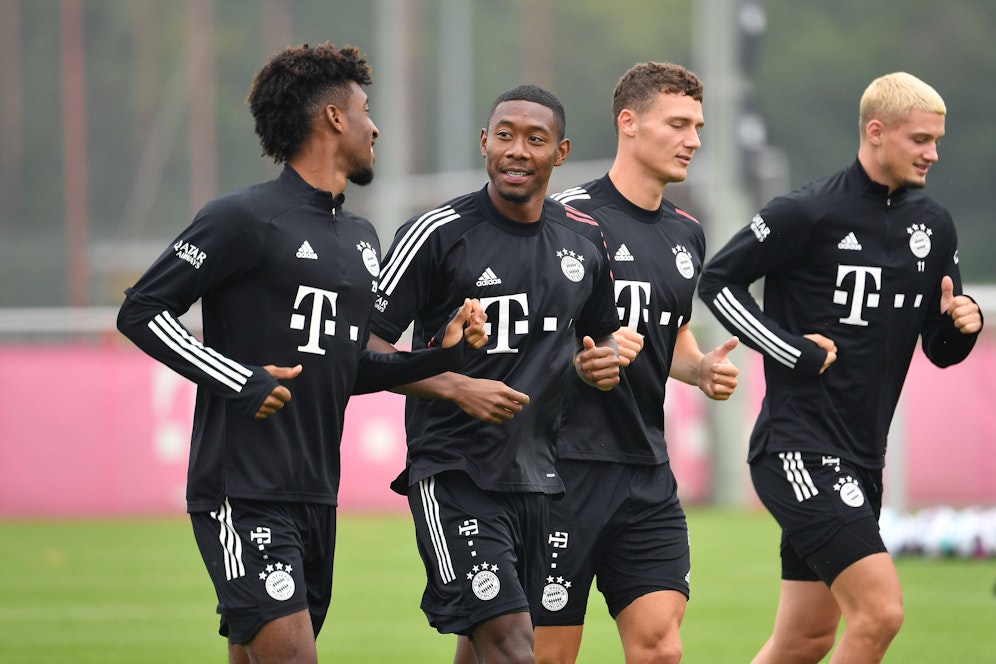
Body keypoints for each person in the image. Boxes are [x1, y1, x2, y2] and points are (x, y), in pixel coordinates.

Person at [117, 42, 487, 664]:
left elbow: (349, 368)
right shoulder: (242, 217)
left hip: (316, 493)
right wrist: (238, 378)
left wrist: (438, 355)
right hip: (242, 487)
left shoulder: (361, 237)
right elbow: (142, 310)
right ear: (334, 118)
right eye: (365, 110)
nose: (375, 127)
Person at [697, 72, 983, 663]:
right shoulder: (808, 210)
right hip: (798, 449)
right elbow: (718, 282)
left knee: (804, 640)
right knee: (880, 613)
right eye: (920, 139)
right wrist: (790, 349)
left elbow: (939, 348)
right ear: (876, 132)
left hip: (863, 456)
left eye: (937, 140)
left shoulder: (934, 225)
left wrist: (963, 324)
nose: (932, 153)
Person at [365, 84, 622, 664]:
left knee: (484, 647)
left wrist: (601, 363)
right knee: (512, 644)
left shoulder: (583, 238)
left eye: (536, 139)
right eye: (505, 135)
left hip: (538, 477)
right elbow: (364, 349)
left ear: (561, 152)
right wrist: (456, 386)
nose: (517, 150)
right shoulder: (435, 232)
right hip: (454, 471)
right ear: (484, 142)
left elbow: (601, 337)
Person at [529, 62, 740, 664]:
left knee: (660, 649)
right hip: (559, 470)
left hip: (646, 472)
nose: (692, 140)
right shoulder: (562, 219)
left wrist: (699, 369)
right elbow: (526, 338)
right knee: (545, 655)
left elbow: (670, 332)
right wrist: (582, 359)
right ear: (629, 122)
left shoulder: (687, 234)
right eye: (677, 124)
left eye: (697, 127)